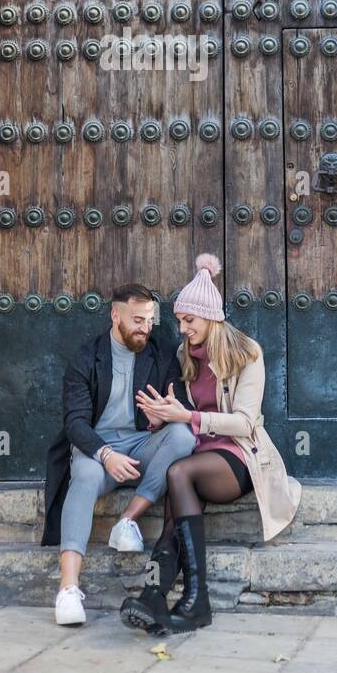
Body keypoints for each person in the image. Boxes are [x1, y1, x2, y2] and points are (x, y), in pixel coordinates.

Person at [120, 254, 302, 634]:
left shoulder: (247, 353)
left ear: (212, 318)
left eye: (190, 320)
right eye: (180, 320)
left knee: (178, 472)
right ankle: (156, 594)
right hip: (200, 455)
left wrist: (187, 418)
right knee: (174, 499)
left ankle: (196, 600)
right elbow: (181, 410)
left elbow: (244, 422)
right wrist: (160, 418)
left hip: (238, 458)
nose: (182, 329)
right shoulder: (186, 356)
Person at [41, 282, 196, 626]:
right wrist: (105, 453)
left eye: (150, 320)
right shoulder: (87, 357)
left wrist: (163, 416)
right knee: (83, 475)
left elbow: (180, 404)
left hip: (143, 447)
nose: (145, 328)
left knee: (182, 437)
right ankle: (68, 588)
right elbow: (75, 423)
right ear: (115, 315)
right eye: (137, 320)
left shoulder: (161, 352)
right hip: (99, 450)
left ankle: (127, 520)